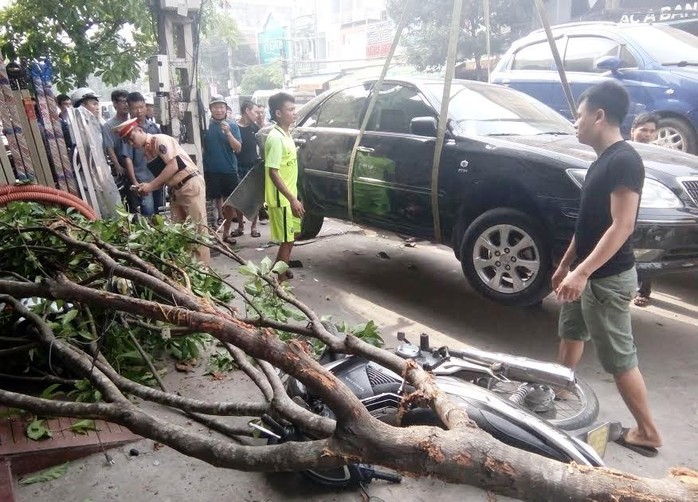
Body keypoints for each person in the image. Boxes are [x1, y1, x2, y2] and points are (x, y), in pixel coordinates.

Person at [554, 81, 661, 457]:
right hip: (584, 273)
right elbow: (590, 223)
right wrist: (568, 264)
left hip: (606, 279)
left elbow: (622, 225)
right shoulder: (602, 159)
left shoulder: (624, 160)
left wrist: (582, 273)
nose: (575, 122)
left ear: (599, 116)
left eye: (579, 115)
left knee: (619, 357)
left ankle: (648, 431)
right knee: (571, 332)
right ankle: (561, 391)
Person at [114, 117, 210, 264]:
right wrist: (146, 186)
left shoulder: (159, 141)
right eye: (129, 142)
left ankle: (204, 271)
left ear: (140, 130)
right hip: (176, 190)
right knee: (180, 232)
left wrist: (151, 186)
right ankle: (189, 269)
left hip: (190, 185)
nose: (132, 144)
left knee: (198, 231)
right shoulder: (148, 152)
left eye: (132, 138)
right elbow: (163, 177)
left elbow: (175, 165)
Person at [264, 92, 304, 281]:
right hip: (282, 199)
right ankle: (277, 282)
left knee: (294, 234)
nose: (294, 113)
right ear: (278, 113)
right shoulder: (275, 138)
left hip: (290, 197)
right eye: (290, 109)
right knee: (288, 239)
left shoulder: (287, 134)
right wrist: (292, 198)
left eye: (294, 109)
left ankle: (279, 267)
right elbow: (273, 172)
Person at [70, 87, 121, 218]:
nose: (97, 107)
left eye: (97, 103)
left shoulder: (96, 125)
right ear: (82, 106)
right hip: (87, 180)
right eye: (94, 104)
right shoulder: (75, 128)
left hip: (100, 176)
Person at [629, 113, 659, 307]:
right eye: (643, 130)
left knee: (647, 249)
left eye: (652, 131)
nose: (647, 135)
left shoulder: (657, 155)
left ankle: (644, 290)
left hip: (648, 206)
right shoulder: (625, 150)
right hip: (627, 204)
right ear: (633, 131)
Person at [203, 95, 242, 243]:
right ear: (210, 109)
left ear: (226, 109)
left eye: (221, 107)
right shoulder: (205, 126)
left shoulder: (232, 125)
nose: (218, 110)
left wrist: (228, 133)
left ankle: (226, 233)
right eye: (215, 107)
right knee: (212, 201)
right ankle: (213, 233)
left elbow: (238, 148)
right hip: (211, 169)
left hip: (229, 169)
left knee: (230, 201)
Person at [121, 92, 163, 216]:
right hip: (142, 179)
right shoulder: (129, 132)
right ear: (129, 109)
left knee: (159, 210)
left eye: (141, 107)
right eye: (135, 108)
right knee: (148, 211)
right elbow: (127, 158)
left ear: (146, 107)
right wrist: (134, 182)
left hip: (158, 177)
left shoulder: (154, 127)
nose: (139, 111)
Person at [233, 100, 261, 238]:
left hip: (253, 165)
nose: (257, 114)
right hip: (239, 166)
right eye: (255, 112)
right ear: (246, 111)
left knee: (253, 198)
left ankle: (254, 227)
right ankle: (240, 226)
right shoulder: (235, 127)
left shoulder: (255, 128)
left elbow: (263, 143)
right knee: (239, 198)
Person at [102, 90, 129, 180]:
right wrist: (117, 166)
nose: (126, 104)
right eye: (123, 102)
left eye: (127, 101)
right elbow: (110, 148)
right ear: (115, 104)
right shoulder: (109, 126)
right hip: (123, 166)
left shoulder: (132, 121)